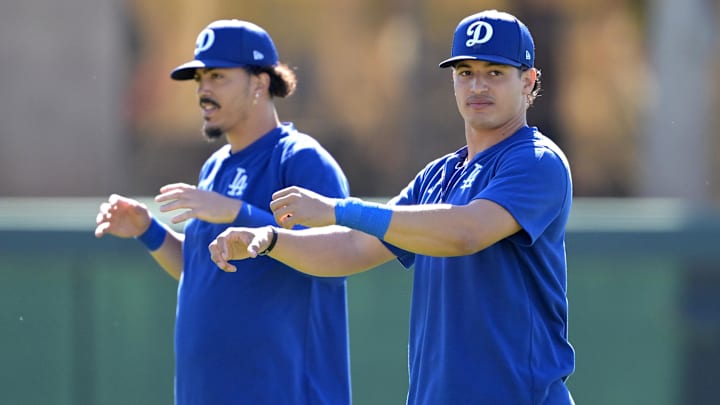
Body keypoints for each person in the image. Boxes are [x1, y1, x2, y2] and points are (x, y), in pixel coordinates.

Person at [209, 10, 575, 404]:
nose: (477, 85)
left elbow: (467, 232)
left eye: (495, 72)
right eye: (465, 72)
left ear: (529, 80)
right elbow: (352, 247)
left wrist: (339, 208)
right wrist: (271, 240)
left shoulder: (536, 161)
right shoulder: (439, 175)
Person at [95, 19, 352, 404]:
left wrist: (236, 211)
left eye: (217, 76)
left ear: (260, 83)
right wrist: (148, 231)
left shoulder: (300, 161)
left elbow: (338, 253)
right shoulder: (215, 166)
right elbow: (205, 269)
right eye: (199, 79)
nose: (203, 91)